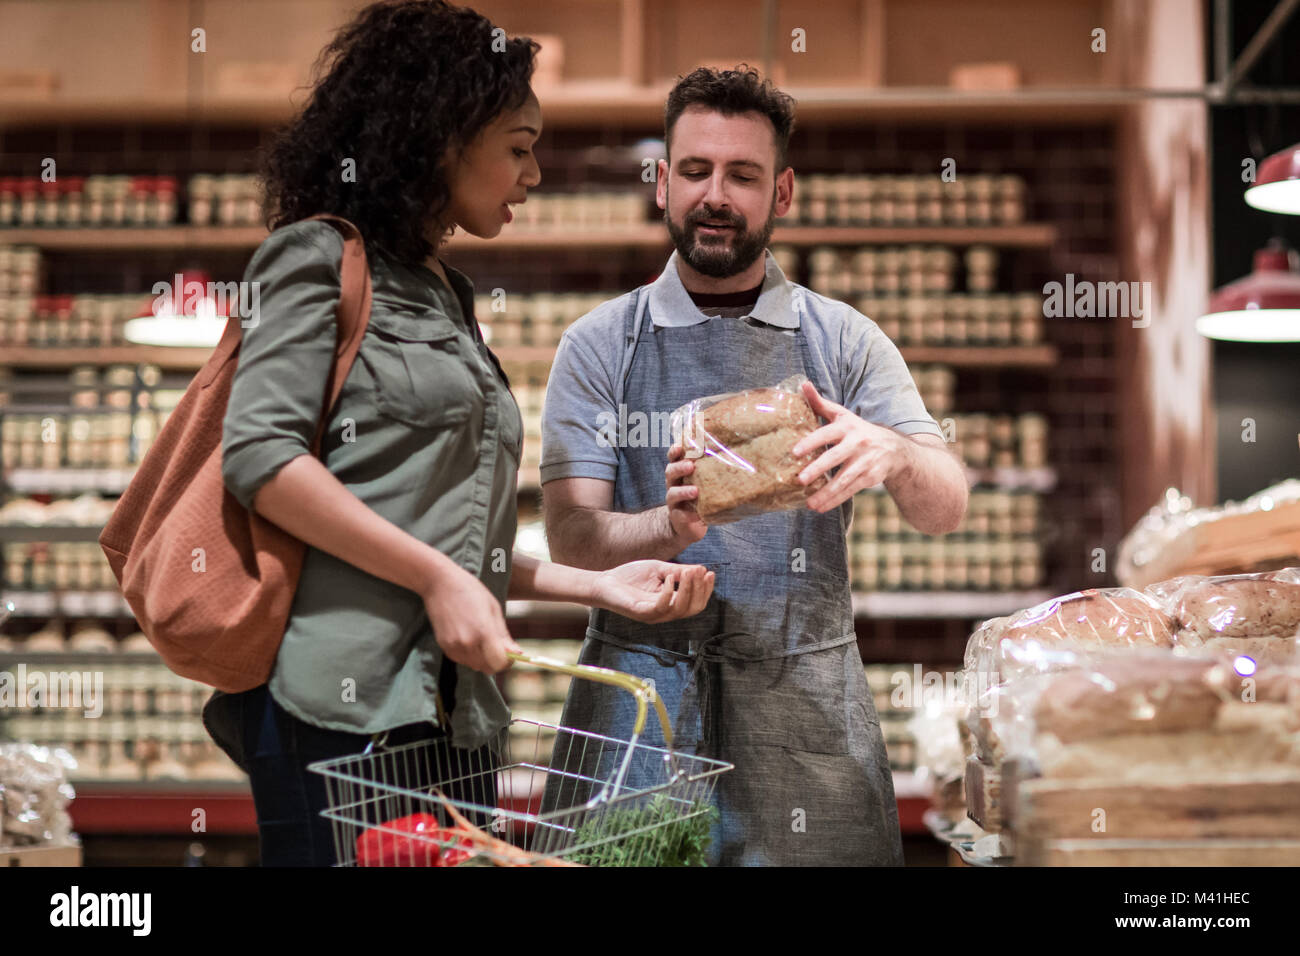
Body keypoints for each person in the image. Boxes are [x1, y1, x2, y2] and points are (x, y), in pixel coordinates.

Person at [201, 0, 714, 867]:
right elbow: (261, 457)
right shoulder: (316, 258)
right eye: (518, 147)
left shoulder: (448, 293)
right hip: (342, 714)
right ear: (441, 136)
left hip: (459, 719)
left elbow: (450, 540)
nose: (534, 173)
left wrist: (603, 588)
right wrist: (438, 581)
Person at [539, 66, 969, 866]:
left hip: (804, 710)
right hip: (640, 708)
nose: (716, 195)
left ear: (783, 193)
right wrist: (667, 525)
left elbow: (945, 508)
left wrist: (897, 455)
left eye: (743, 175)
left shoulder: (844, 340)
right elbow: (571, 538)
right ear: (663, 182)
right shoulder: (599, 344)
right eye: (696, 171)